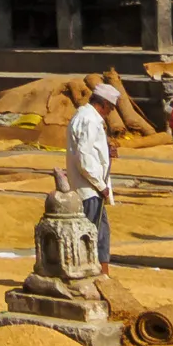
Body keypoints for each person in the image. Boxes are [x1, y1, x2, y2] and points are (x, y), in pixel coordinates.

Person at [65, 82, 119, 274]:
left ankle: (103, 274)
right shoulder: (88, 119)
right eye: (110, 108)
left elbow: (90, 150)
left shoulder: (88, 117)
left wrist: (106, 151)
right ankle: (91, 274)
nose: (110, 113)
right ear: (103, 104)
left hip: (93, 188)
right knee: (91, 234)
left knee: (101, 232)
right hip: (89, 188)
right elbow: (84, 158)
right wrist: (101, 185)